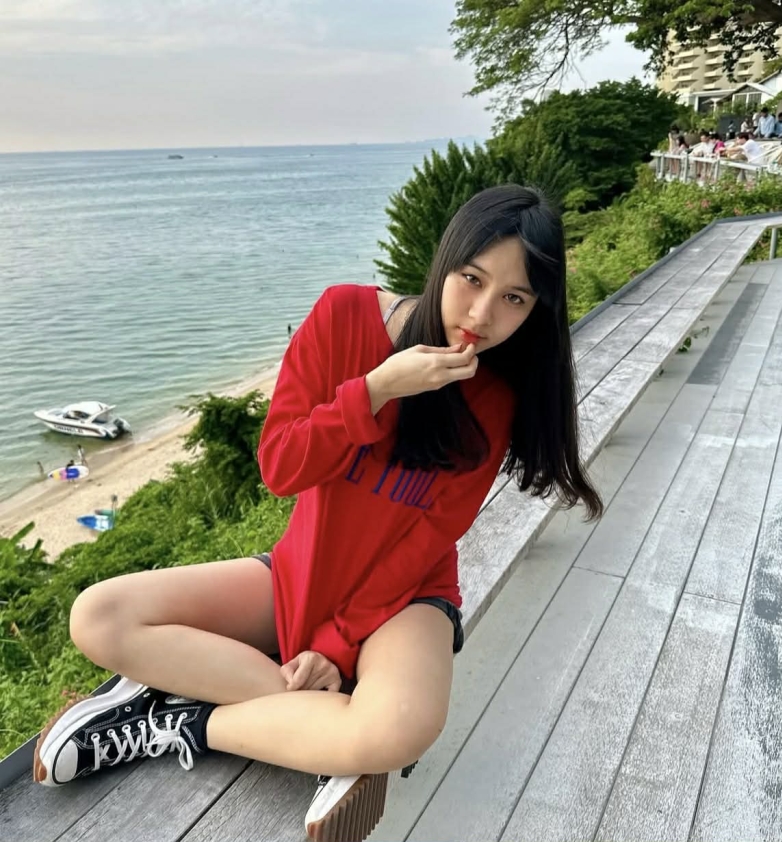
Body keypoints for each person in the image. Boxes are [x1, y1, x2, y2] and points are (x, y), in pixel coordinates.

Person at [31, 185, 602, 840]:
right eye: (472, 279)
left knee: (398, 727)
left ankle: (177, 721)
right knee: (98, 615)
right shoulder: (343, 316)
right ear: (445, 260)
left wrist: (336, 643)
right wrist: (376, 390)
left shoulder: (497, 393)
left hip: (403, 600)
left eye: (515, 299)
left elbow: (430, 538)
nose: (481, 313)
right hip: (297, 573)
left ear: (535, 309)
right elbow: (281, 467)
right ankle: (321, 729)